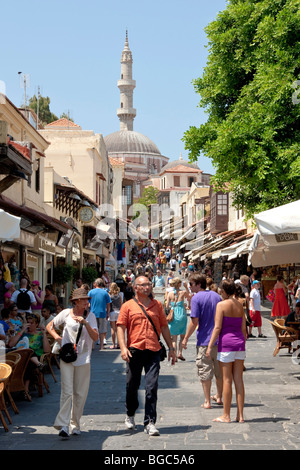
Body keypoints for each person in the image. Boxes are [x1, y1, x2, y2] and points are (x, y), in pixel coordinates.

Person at [117, 275, 176, 436]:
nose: (147, 287)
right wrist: (123, 348)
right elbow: (120, 327)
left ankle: (150, 421)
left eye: (149, 284)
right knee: (132, 386)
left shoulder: (157, 305)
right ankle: (130, 413)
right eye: (143, 285)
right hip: (134, 350)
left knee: (152, 386)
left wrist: (171, 348)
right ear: (135, 288)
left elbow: (164, 327)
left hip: (153, 350)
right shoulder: (128, 306)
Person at [46, 288, 98, 438]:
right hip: (67, 356)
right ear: (75, 302)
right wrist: (57, 338)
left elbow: (95, 338)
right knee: (67, 391)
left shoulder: (91, 316)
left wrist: (86, 324)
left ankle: (75, 423)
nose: (86, 302)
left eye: (87, 299)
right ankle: (63, 425)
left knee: (80, 393)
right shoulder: (66, 313)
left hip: (83, 357)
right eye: (83, 299)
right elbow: (49, 326)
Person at [206, 280, 247, 423]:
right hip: (239, 343)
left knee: (227, 379)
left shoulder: (221, 305)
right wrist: (242, 342)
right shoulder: (239, 305)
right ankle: (240, 416)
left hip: (227, 344)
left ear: (223, 291)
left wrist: (210, 346)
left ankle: (226, 415)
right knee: (239, 379)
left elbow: (217, 328)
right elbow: (243, 329)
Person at [182, 273, 223, 409]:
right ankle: (219, 396)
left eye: (191, 284)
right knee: (219, 371)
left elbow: (194, 322)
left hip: (205, 340)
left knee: (205, 371)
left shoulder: (196, 298)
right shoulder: (217, 296)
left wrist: (186, 338)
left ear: (199, 284)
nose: (190, 286)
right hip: (219, 340)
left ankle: (207, 401)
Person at [8, 313, 51, 400]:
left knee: (29, 354)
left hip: (34, 358)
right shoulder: (23, 334)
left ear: (36, 324)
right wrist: (22, 330)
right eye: (28, 322)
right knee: (24, 357)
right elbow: (11, 344)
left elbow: (47, 351)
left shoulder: (40, 335)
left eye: (31, 323)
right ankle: (24, 389)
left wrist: (44, 334)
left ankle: (25, 390)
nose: (29, 325)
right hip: (21, 359)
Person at [165, 277, 189, 361]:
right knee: (182, 337)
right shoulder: (183, 292)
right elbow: (190, 297)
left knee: (174, 338)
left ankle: (174, 356)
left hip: (174, 315)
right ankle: (180, 353)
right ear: (179, 284)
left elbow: (167, 306)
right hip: (182, 314)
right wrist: (186, 287)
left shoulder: (169, 293)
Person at [88, 278, 111, 350]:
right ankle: (101, 346)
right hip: (102, 313)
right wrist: (108, 313)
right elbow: (108, 304)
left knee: (92, 329)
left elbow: (87, 303)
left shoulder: (91, 292)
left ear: (96, 284)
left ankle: (92, 346)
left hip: (93, 313)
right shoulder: (105, 293)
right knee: (102, 331)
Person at [108, 282, 123, 349]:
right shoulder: (119, 295)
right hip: (119, 312)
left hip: (112, 312)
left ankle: (113, 344)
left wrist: (107, 313)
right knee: (118, 329)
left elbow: (108, 305)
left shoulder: (109, 295)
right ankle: (118, 344)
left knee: (112, 328)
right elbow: (121, 304)